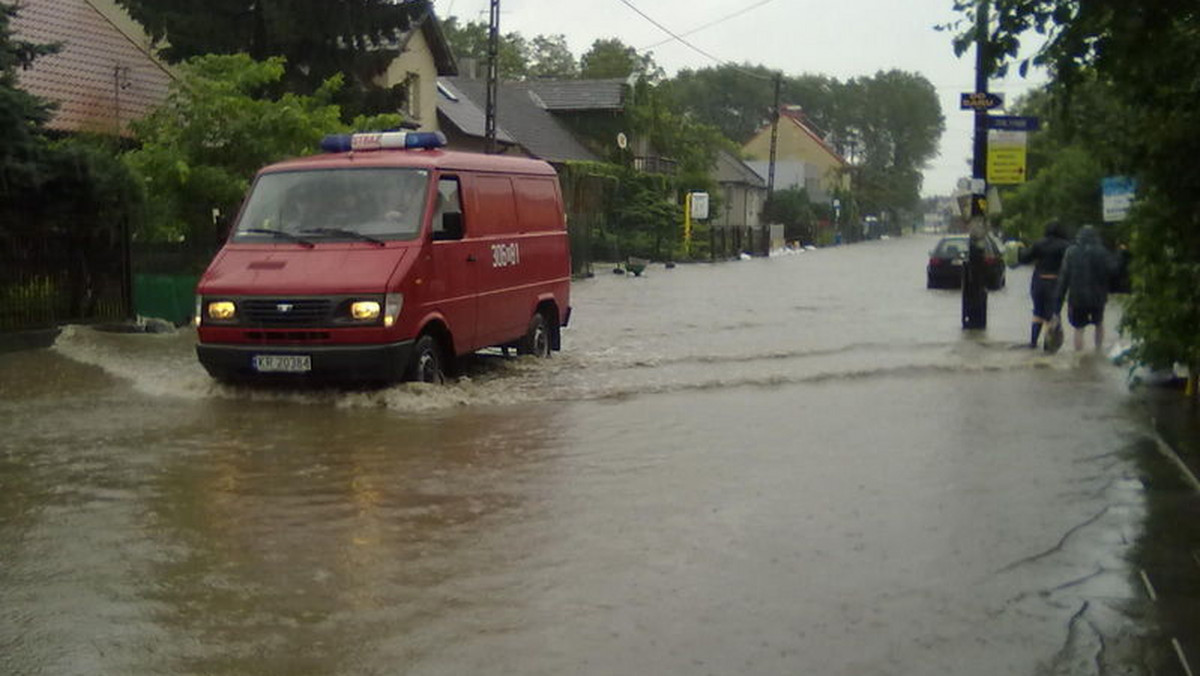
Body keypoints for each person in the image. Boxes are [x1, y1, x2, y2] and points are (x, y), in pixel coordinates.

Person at [1055, 225, 1121, 352]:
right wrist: (1119, 254)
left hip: (1077, 298)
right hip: (1098, 297)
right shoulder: (1102, 251)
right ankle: (1098, 351)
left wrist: (1057, 305)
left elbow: (1063, 278)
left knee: (1079, 328)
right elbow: (1113, 270)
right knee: (1099, 323)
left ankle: (1079, 355)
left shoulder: (1071, 252)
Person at [1017, 220, 1071, 348]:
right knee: (1051, 315)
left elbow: (1024, 258)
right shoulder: (1065, 246)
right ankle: (1048, 345)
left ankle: (1033, 342)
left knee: (1037, 312)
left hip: (1039, 282)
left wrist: (1021, 250)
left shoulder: (1038, 244)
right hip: (1055, 283)